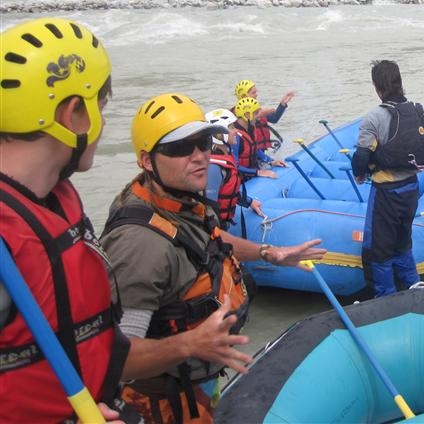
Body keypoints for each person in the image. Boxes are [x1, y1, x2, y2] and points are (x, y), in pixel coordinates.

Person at [100, 93, 326, 423]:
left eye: (203, 143)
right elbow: (117, 359)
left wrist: (267, 253)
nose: (199, 157)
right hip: (166, 405)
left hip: (197, 382)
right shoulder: (140, 246)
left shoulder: (177, 201)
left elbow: (210, 241)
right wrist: (190, 345)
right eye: (180, 148)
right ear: (147, 160)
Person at [0, 17, 130, 423]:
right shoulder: (8, 236)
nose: (103, 125)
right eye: (101, 108)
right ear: (73, 114)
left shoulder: (54, 197)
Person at [351, 60, 424, 297]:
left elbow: (360, 158)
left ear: (377, 87)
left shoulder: (373, 118)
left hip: (386, 193)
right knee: (402, 244)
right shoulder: (421, 112)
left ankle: (386, 300)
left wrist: (362, 173)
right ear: (400, 82)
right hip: (410, 189)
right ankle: (414, 290)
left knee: (380, 252)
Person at [205, 108, 263, 230]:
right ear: (218, 135)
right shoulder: (214, 168)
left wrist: (249, 202)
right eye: (231, 128)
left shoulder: (226, 157)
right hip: (216, 226)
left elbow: (229, 190)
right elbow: (208, 207)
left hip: (224, 222)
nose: (236, 131)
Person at [233, 79, 294, 165]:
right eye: (253, 93)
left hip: (259, 152)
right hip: (248, 154)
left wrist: (283, 104)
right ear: (243, 96)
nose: (256, 94)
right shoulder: (237, 116)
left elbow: (274, 118)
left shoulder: (256, 110)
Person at [231, 96, 285, 180]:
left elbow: (255, 150)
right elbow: (234, 165)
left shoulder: (251, 129)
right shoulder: (235, 136)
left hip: (253, 171)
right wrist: (258, 172)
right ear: (247, 115)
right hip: (242, 178)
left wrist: (271, 161)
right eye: (256, 113)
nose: (259, 116)